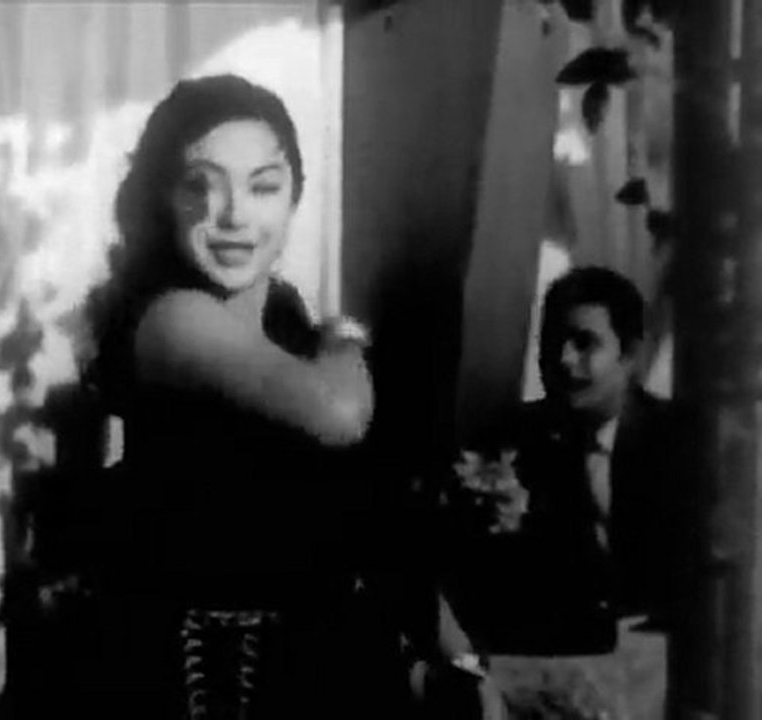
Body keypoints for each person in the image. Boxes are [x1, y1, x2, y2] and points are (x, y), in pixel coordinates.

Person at [83, 74, 406, 719]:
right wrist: (344, 338)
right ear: (163, 198)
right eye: (200, 185)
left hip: (311, 659)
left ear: (294, 198)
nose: (233, 215)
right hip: (200, 681)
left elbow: (360, 499)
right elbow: (341, 416)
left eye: (263, 186)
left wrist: (451, 650)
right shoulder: (173, 317)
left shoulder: (282, 310)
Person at [444, 266, 688, 719]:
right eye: (552, 341)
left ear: (630, 353)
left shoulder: (680, 442)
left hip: (660, 676)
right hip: (554, 675)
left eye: (584, 343)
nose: (563, 359)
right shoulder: (513, 440)